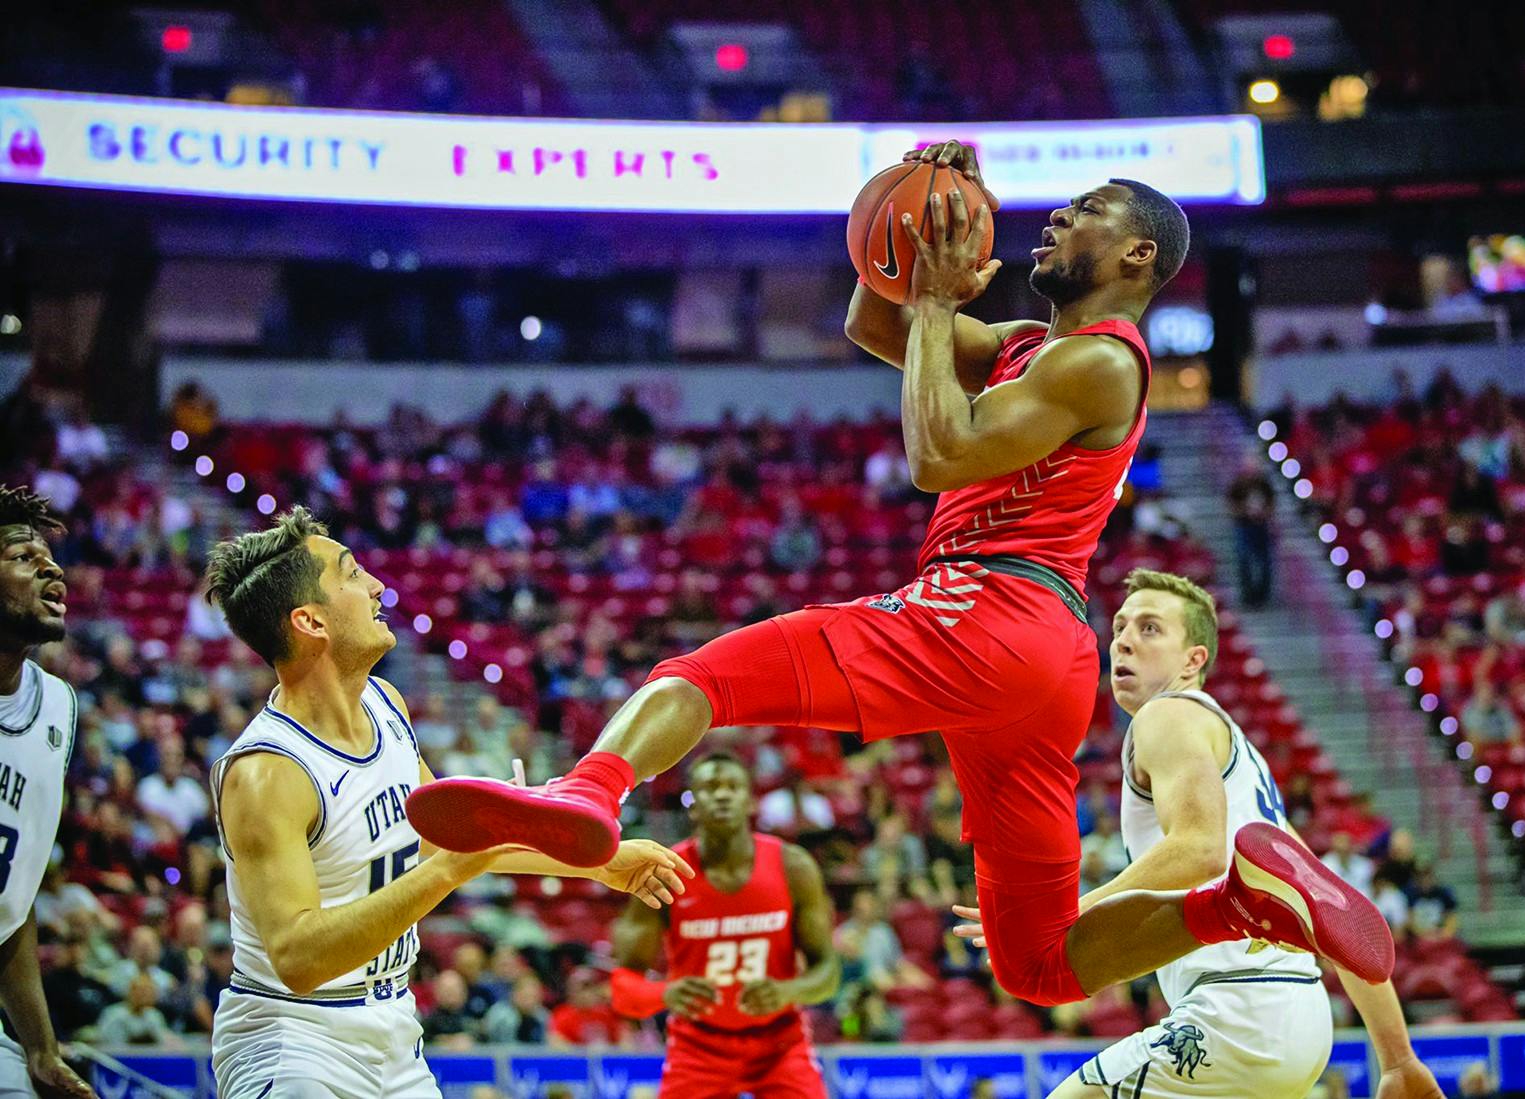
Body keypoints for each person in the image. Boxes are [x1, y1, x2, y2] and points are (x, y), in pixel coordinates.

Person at [410, 145, 1380, 1007]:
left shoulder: (1098, 363)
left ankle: (589, 791)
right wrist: (911, 227)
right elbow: (874, 323)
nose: (1055, 218)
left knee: (705, 676)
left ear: (1138, 258)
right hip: (1041, 662)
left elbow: (940, 454)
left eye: (1086, 209)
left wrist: (933, 302)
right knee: (1036, 966)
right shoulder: (1029, 347)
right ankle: (1250, 903)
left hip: (987, 607)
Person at [201, 507, 693, 1097]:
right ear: (310, 621)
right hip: (293, 1037)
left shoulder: (386, 704)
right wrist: (449, 870)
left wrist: (598, 862)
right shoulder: (268, 773)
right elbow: (299, 958)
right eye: (353, 575)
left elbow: (446, 836)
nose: (378, 586)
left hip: (393, 1025)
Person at [954, 571, 1436, 1099]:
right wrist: (1397, 1058)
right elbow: (1339, 915)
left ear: (1193, 660)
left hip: (1235, 1013)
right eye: (1119, 626)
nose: (1123, 639)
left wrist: (1069, 911)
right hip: (1301, 1019)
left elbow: (1199, 851)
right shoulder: (1244, 764)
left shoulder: (1168, 715)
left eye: (1151, 628)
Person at [611, 752, 838, 1098]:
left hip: (780, 1043)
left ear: (749, 802)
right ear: (692, 806)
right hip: (698, 1046)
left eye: (733, 786)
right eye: (710, 787)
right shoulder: (664, 873)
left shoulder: (793, 866)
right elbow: (622, 989)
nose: (722, 794)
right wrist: (665, 993)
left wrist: (788, 991)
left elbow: (828, 972)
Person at [0, 486, 97, 1098]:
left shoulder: (57, 705)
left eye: (50, 557)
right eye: (22, 556)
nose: (51, 566)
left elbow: (12, 897)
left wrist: (40, 1048)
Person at [1226, 456, 1276, 608]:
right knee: (1244, 559)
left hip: (1261, 527)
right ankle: (1248, 595)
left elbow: (1272, 503)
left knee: (1265, 562)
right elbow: (1231, 506)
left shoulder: (1264, 484)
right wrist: (1245, 512)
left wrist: (1263, 513)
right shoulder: (1238, 485)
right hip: (1244, 527)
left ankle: (1263, 595)